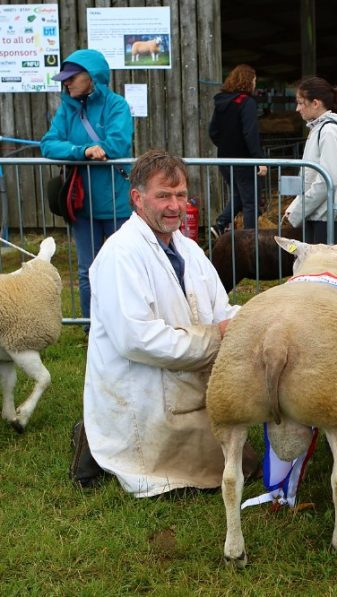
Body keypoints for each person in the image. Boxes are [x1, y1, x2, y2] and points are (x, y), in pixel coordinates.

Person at [79, 149, 241, 496]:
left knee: (232, 462)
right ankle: (95, 443)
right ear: (137, 198)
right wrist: (215, 339)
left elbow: (221, 311)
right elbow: (136, 340)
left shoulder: (189, 249)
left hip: (187, 379)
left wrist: (259, 317)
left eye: (181, 195)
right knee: (168, 477)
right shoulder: (120, 254)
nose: (174, 206)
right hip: (142, 386)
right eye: (163, 195)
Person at [40, 49, 133, 323]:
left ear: (91, 77)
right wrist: (83, 150)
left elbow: (117, 144)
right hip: (80, 204)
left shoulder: (117, 106)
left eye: (72, 77)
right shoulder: (67, 109)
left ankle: (127, 324)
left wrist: (92, 149)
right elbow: (48, 143)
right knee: (87, 270)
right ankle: (91, 327)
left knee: (124, 268)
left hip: (117, 203)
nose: (66, 83)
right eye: (64, 79)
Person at [284, 76, 337, 243]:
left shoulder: (329, 131)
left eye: (301, 103)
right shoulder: (319, 129)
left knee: (321, 265)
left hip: (326, 214)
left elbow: (327, 179)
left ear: (315, 103)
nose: (297, 109)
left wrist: (299, 208)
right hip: (318, 211)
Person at [209, 64, 268, 235]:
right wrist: (259, 159)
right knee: (251, 202)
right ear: (248, 81)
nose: (255, 84)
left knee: (238, 195)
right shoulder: (246, 102)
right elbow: (250, 132)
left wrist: (225, 146)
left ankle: (220, 224)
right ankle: (250, 240)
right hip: (245, 160)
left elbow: (213, 131)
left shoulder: (221, 102)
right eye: (254, 80)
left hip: (225, 160)